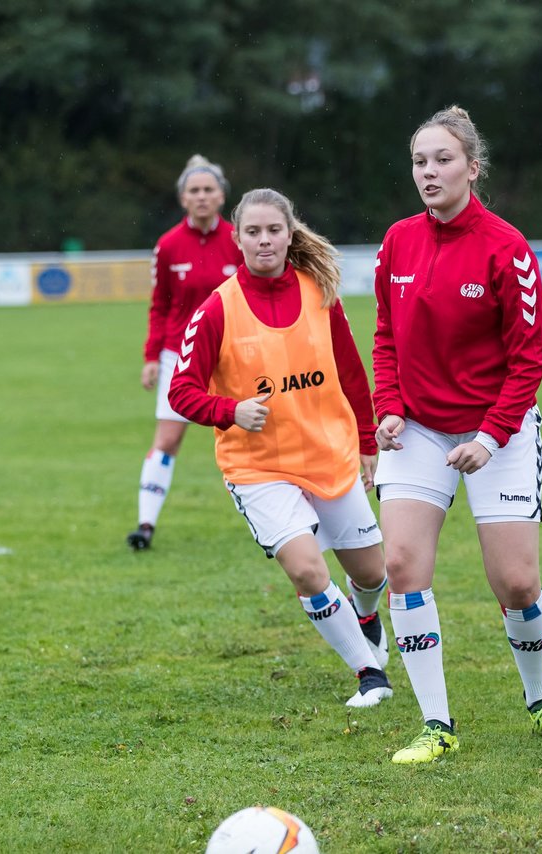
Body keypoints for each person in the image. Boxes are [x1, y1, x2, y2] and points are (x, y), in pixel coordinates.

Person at [371, 106, 542, 764]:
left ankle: (541, 702)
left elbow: (528, 363)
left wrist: (490, 439)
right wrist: (386, 407)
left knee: (516, 584)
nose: (429, 172)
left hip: (501, 431)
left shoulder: (507, 248)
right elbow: (385, 336)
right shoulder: (397, 243)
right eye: (419, 161)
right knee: (403, 567)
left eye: (442, 159)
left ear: (472, 166)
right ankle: (436, 725)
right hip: (418, 432)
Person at [168, 187, 393, 708]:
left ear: (290, 234)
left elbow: (351, 371)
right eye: (253, 231)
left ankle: (364, 614)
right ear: (237, 238)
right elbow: (182, 391)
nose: (264, 240)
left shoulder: (318, 291)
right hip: (259, 468)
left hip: (328, 457)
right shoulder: (216, 310)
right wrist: (230, 411)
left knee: (372, 573)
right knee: (308, 570)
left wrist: (366, 442)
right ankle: (368, 673)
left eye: (274, 230)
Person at [127, 155, 242, 550]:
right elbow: (159, 305)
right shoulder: (168, 245)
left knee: (253, 436)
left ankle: (280, 524)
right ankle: (145, 525)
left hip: (233, 355)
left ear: (222, 196)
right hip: (180, 357)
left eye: (209, 189)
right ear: (182, 198)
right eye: (194, 190)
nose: (202, 196)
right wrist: (150, 357)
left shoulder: (240, 239)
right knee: (168, 440)